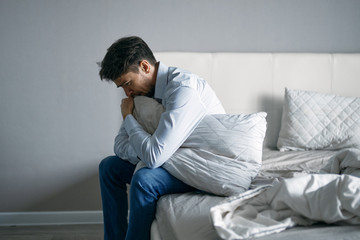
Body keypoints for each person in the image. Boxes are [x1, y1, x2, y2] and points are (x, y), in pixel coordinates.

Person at [98, 36, 225, 240]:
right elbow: (120, 145)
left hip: (201, 166)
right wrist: (146, 151)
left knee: (144, 179)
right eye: (121, 87)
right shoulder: (140, 93)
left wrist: (128, 118)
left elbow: (155, 157)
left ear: (145, 66)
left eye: (127, 83)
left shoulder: (183, 89)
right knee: (109, 167)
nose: (127, 92)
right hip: (171, 162)